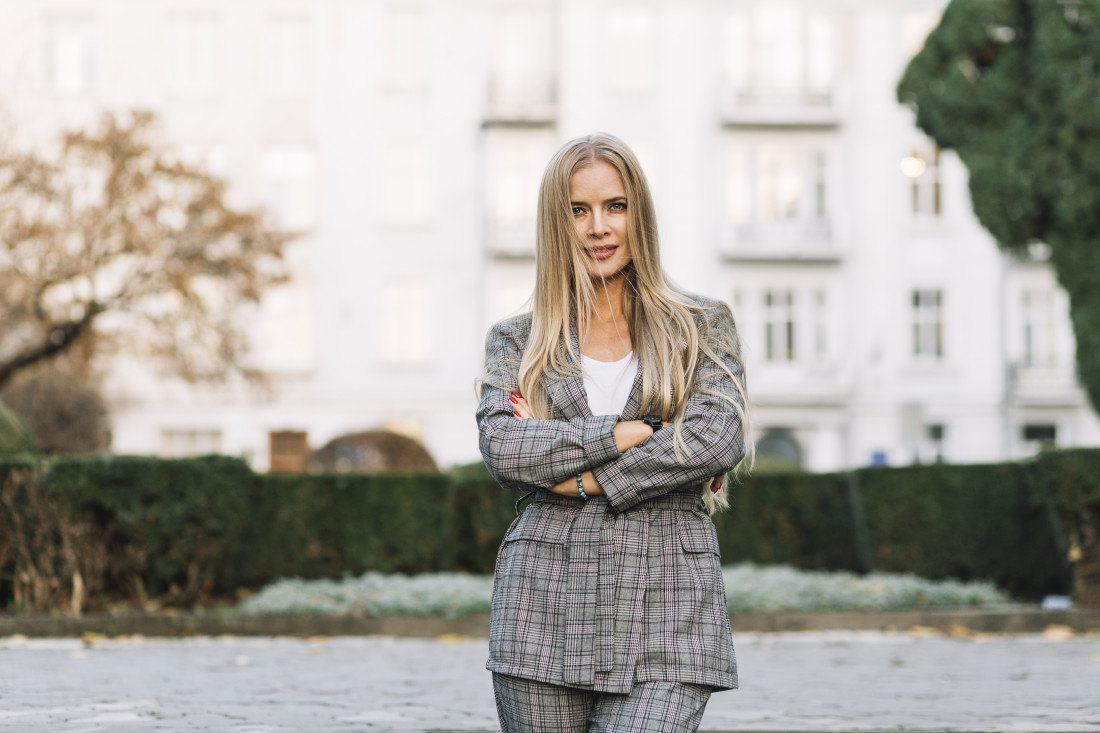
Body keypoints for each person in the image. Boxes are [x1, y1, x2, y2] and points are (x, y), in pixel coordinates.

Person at [476, 132, 751, 732]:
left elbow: (715, 438)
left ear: (638, 214)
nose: (598, 227)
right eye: (578, 210)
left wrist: (582, 480)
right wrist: (624, 434)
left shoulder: (701, 327)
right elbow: (504, 448)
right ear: (556, 224)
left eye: (615, 206)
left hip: (669, 607)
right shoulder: (517, 341)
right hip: (541, 609)